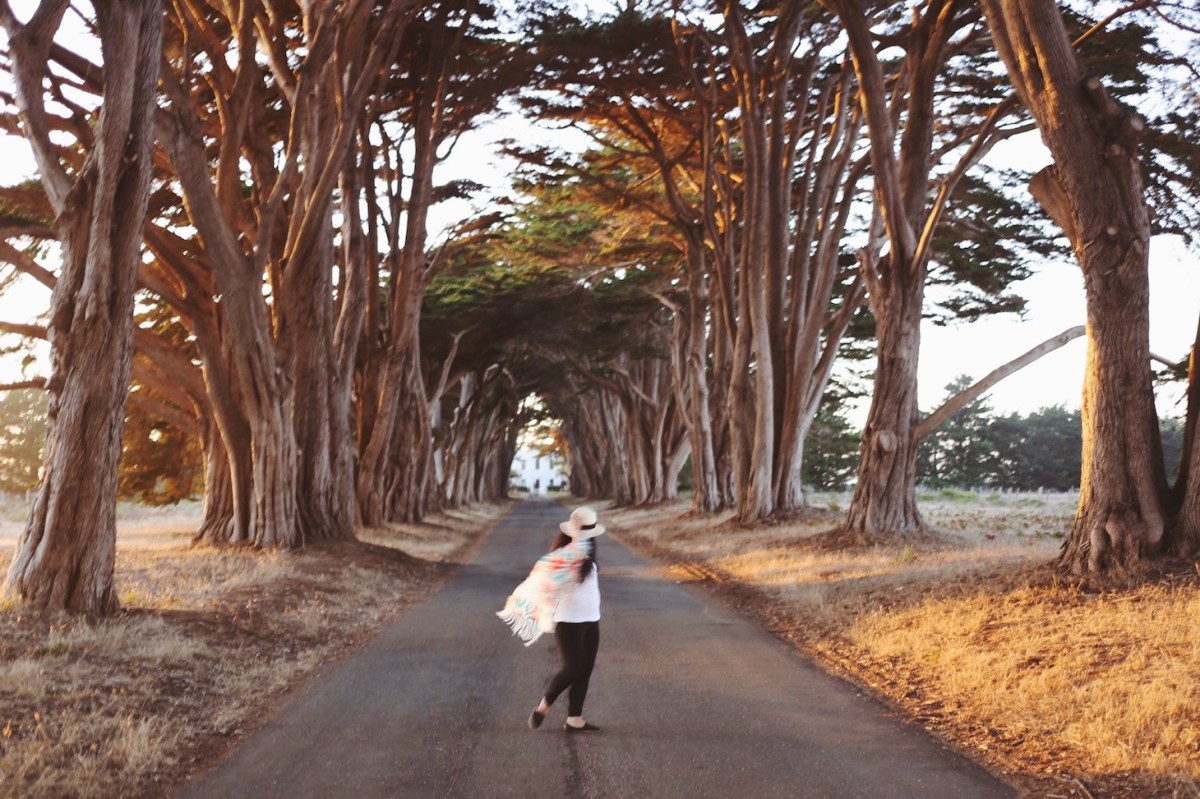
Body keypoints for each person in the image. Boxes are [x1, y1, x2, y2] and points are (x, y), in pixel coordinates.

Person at [496, 506, 604, 733]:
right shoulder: (565, 555)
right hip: (569, 622)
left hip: (591, 620)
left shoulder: (588, 554)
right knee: (572, 668)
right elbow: (545, 579)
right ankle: (544, 705)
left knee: (585, 670)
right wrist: (578, 538)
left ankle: (574, 719)